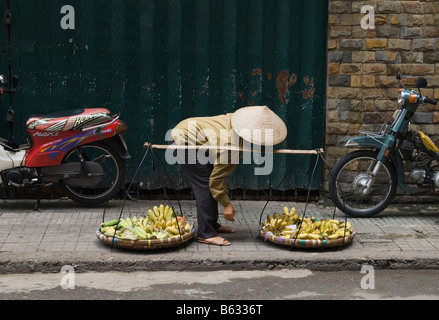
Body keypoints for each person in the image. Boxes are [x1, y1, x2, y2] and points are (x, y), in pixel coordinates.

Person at [170, 106, 287, 246]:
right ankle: (206, 234)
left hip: (193, 136)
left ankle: (212, 224)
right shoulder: (231, 145)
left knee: (208, 180)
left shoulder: (235, 121)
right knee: (206, 184)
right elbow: (216, 180)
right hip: (184, 141)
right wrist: (227, 204)